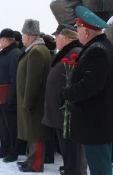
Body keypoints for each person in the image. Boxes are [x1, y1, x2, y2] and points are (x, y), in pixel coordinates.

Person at [62, 6, 113, 175]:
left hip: (95, 121)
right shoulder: (102, 46)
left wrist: (67, 92)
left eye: (78, 29)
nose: (77, 33)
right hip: (99, 119)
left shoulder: (97, 50)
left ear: (87, 31)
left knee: (99, 165)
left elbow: (91, 85)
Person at [42, 23, 88, 175]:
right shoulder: (66, 52)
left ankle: (74, 171)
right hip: (61, 110)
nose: (55, 40)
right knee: (67, 150)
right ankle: (70, 170)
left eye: (57, 36)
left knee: (72, 149)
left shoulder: (75, 52)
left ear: (66, 38)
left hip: (67, 112)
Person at [16, 19, 53, 172]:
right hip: (30, 101)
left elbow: (33, 81)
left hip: (33, 102)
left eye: (24, 34)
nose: (23, 37)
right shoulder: (34, 49)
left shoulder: (37, 51)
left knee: (36, 134)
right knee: (31, 133)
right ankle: (30, 159)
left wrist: (28, 103)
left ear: (30, 35)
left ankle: (36, 164)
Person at [0, 28, 22, 162]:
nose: (0, 43)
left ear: (5, 40)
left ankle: (13, 152)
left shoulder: (14, 54)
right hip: (0, 97)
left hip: (8, 98)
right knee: (3, 126)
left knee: (11, 127)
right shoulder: (5, 54)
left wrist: (10, 97)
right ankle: (4, 149)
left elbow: (14, 78)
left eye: (1, 40)